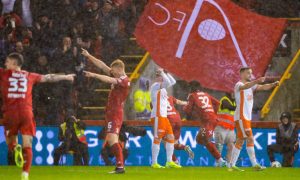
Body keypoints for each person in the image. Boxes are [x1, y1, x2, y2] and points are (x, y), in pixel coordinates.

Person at [0, 53, 75, 180]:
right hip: (26, 112)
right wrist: (65, 77)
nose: (5, 64)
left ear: (14, 63)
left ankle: (14, 147)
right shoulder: (29, 75)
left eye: (7, 62)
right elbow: (49, 77)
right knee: (28, 144)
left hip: (10, 113)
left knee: (10, 141)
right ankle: (25, 174)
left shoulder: (3, 74)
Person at [81, 48, 130, 174]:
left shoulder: (124, 80)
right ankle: (120, 165)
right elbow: (103, 66)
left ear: (119, 69)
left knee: (112, 140)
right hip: (111, 112)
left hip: (115, 113)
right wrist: (89, 56)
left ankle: (120, 166)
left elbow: (109, 80)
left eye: (113, 72)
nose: (112, 73)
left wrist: (93, 75)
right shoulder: (118, 75)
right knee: (110, 139)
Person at [228, 67, 279, 171]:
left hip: (245, 117)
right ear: (241, 74)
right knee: (250, 138)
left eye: (251, 73)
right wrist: (257, 80)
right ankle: (255, 164)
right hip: (241, 117)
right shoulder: (239, 84)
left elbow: (263, 87)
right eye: (248, 73)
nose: (250, 75)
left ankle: (231, 165)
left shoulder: (251, 86)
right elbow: (246, 86)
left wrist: (273, 84)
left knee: (240, 140)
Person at [184, 81, 226, 167]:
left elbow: (187, 111)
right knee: (199, 139)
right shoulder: (206, 94)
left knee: (205, 139)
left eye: (189, 88)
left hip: (207, 121)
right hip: (210, 120)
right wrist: (213, 113)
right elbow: (218, 103)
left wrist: (185, 105)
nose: (189, 89)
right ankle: (216, 149)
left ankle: (220, 160)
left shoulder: (192, 96)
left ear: (192, 88)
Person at [150, 69, 181, 169]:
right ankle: (154, 162)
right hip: (158, 115)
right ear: (158, 77)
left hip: (164, 116)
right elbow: (168, 82)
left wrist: (167, 72)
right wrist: (162, 72)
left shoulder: (162, 88)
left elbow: (173, 82)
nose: (162, 78)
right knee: (158, 138)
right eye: (160, 76)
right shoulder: (155, 86)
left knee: (170, 137)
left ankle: (169, 161)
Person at [167, 96, 194, 163]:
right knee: (175, 144)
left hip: (169, 120)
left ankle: (175, 161)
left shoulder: (156, 100)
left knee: (167, 145)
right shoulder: (169, 97)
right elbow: (180, 102)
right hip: (177, 119)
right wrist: (188, 103)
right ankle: (185, 147)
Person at [215, 93, 236, 164]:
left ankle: (228, 163)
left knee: (231, 146)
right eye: (232, 92)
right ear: (228, 93)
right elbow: (230, 107)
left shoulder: (234, 102)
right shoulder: (224, 100)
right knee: (219, 146)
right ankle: (218, 163)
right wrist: (241, 105)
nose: (234, 94)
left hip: (230, 128)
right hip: (221, 126)